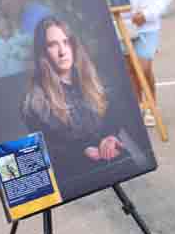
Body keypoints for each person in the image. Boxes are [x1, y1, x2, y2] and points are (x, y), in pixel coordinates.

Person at [22, 16, 137, 199]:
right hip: (74, 175)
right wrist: (82, 151)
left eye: (66, 42)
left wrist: (109, 136)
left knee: (129, 164)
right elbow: (48, 149)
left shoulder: (94, 80)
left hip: (109, 158)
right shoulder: (36, 101)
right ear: (43, 52)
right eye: (52, 44)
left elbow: (111, 116)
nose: (62, 51)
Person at [117, 0, 173, 127]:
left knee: (144, 67)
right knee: (130, 69)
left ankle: (151, 105)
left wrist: (147, 14)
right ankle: (137, 105)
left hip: (147, 25)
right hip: (123, 25)